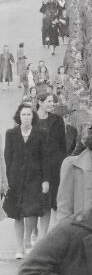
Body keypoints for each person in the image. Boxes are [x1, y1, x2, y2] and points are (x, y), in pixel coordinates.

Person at [3, 103, 50, 259]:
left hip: (34, 179)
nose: (26, 117)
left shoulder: (41, 133)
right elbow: (7, 157)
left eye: (29, 114)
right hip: (16, 180)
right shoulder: (11, 133)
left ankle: (28, 241)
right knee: (17, 214)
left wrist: (45, 180)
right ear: (19, 116)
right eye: (23, 114)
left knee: (31, 212)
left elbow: (45, 158)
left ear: (33, 117)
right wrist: (8, 179)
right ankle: (19, 248)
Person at [36, 92, 67, 235]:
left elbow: (62, 145)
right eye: (49, 101)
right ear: (40, 102)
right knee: (37, 201)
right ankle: (35, 235)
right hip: (35, 166)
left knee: (53, 201)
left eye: (53, 101)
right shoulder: (30, 118)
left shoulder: (57, 120)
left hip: (54, 165)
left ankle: (50, 236)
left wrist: (62, 164)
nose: (52, 104)